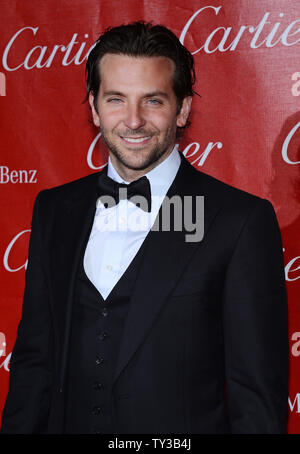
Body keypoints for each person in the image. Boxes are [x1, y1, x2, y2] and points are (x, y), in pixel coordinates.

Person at [1, 21, 288, 434]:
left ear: (183, 108)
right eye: (116, 99)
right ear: (94, 107)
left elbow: (256, 398)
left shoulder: (237, 221)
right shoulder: (55, 210)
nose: (133, 121)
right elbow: (33, 365)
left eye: (153, 101)